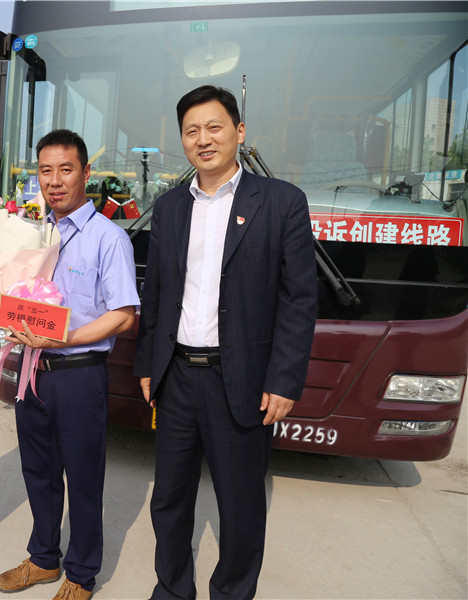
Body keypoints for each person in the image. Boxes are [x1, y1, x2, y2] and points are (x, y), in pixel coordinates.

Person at [134, 85, 318, 600]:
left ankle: (232, 593)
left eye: (214, 127)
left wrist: (284, 379)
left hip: (241, 380)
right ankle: (172, 590)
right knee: (169, 501)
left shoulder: (281, 202)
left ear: (239, 131)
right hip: (176, 378)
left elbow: (299, 299)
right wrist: (147, 363)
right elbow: (157, 293)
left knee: (240, 508)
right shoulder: (170, 207)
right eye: (191, 131)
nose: (203, 139)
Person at [0, 129, 139, 600]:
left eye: (66, 169)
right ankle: (43, 559)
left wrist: (66, 337)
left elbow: (123, 315)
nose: (54, 181)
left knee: (82, 477)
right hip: (33, 371)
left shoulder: (108, 238)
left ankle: (81, 573)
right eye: (45, 171)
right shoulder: (32, 233)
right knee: (37, 471)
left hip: (79, 375)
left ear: (85, 173)